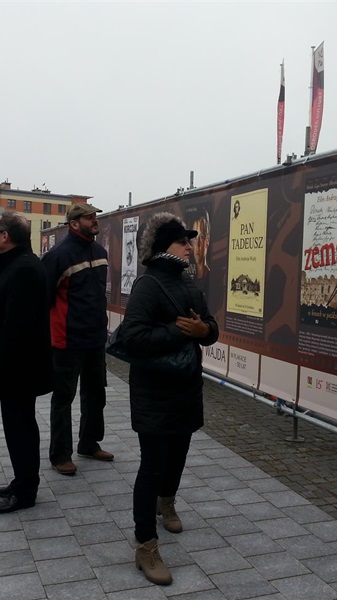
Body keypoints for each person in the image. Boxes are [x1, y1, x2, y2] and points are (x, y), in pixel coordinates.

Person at [121, 212, 219, 585]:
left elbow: (211, 328)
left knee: (178, 454)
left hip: (186, 386)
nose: (189, 246)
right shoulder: (147, 286)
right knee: (152, 465)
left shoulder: (188, 282)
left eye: (190, 241)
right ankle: (145, 544)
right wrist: (181, 333)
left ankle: (168, 502)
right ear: (165, 246)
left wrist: (203, 329)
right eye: (182, 241)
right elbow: (133, 338)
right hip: (153, 391)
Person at [0, 212, 53, 513]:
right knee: (18, 426)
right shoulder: (18, 265)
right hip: (17, 367)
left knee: (21, 428)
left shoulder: (25, 269)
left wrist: (1, 369)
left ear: (5, 236)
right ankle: (22, 480)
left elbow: (18, 328)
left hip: (19, 369)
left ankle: (26, 490)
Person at [42, 202, 113, 475]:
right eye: (88, 217)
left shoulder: (101, 252)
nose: (95, 220)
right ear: (74, 223)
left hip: (95, 338)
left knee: (96, 394)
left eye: (95, 216)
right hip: (66, 341)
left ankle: (89, 443)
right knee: (63, 398)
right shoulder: (58, 256)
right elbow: (44, 299)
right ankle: (60, 455)